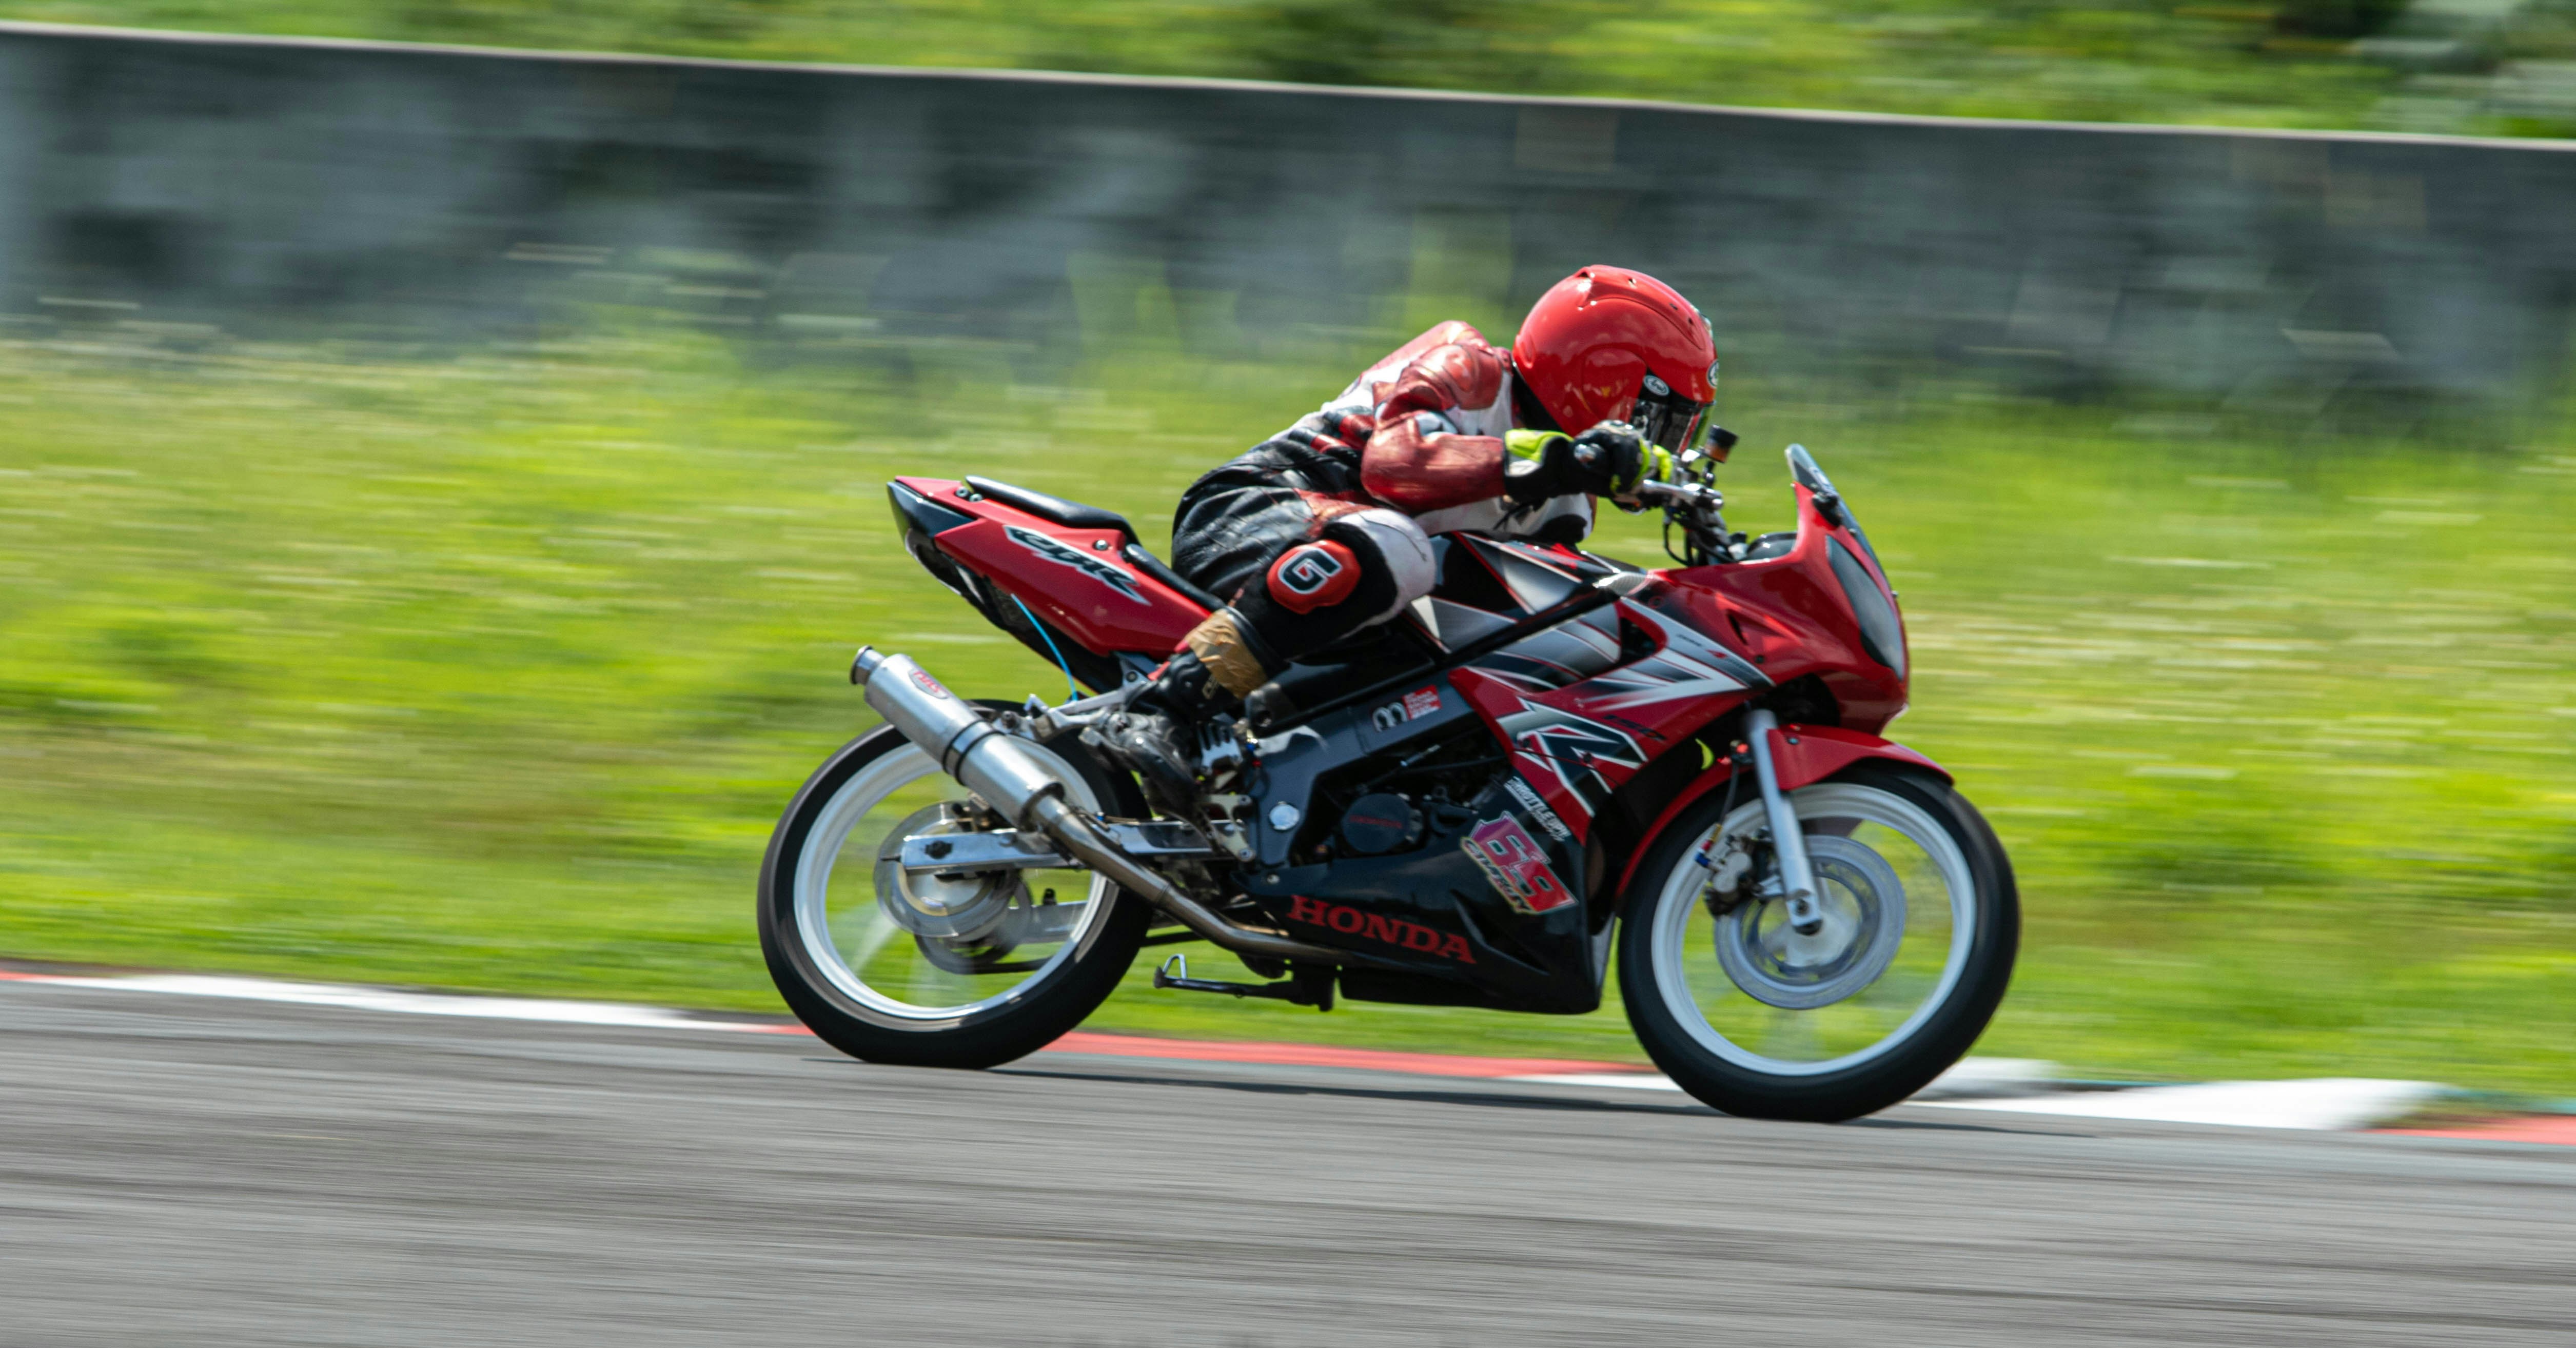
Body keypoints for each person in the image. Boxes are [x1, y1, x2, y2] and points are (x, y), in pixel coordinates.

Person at [1104, 265, 1724, 806]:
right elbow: (1395, 465)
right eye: (1659, 421)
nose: (1661, 446)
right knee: (1395, 547)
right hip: (1253, 513)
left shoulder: (1569, 506)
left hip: (1357, 591)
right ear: (1604, 380)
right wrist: (1556, 458)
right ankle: (1159, 710)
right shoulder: (1469, 366)